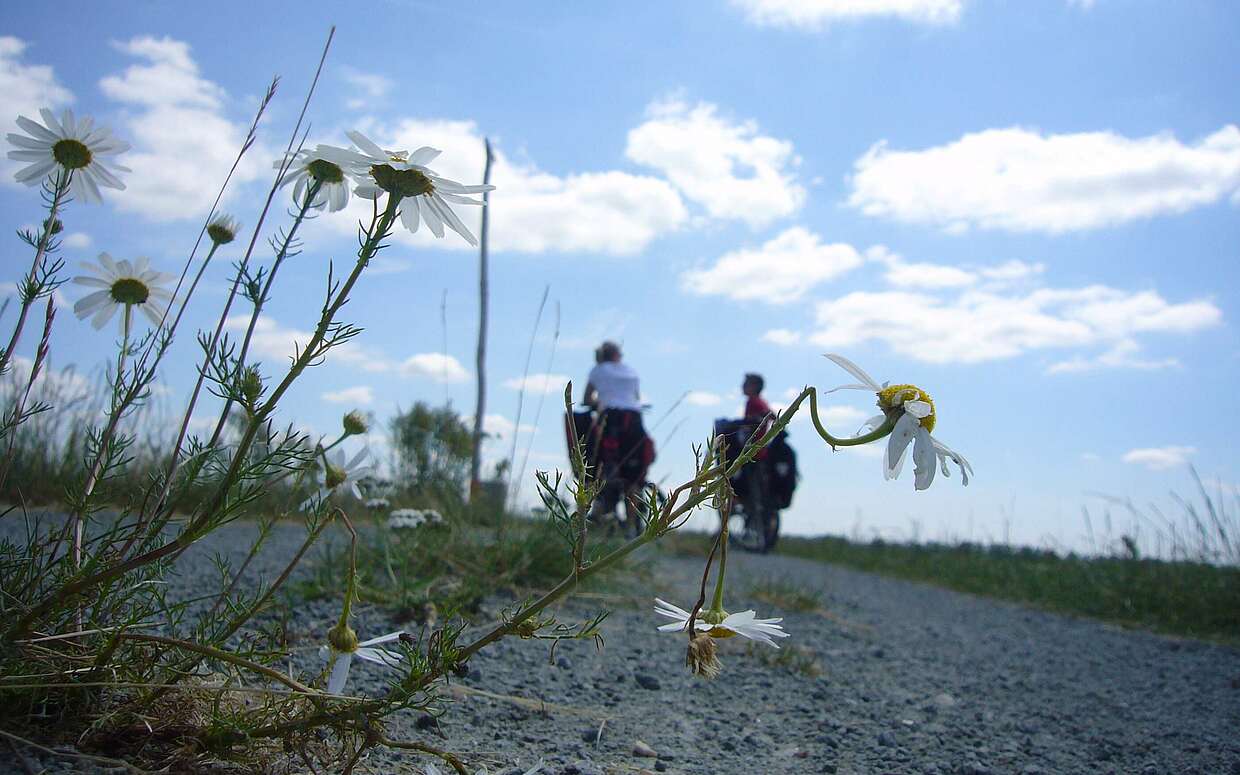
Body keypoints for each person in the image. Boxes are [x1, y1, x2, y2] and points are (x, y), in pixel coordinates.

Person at [581, 342, 651, 532]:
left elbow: (587, 399)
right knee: (633, 478)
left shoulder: (597, 370)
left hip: (611, 422)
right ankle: (631, 528)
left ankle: (597, 511)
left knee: (602, 467)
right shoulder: (632, 371)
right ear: (618, 355)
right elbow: (636, 399)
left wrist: (599, 401)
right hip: (635, 423)